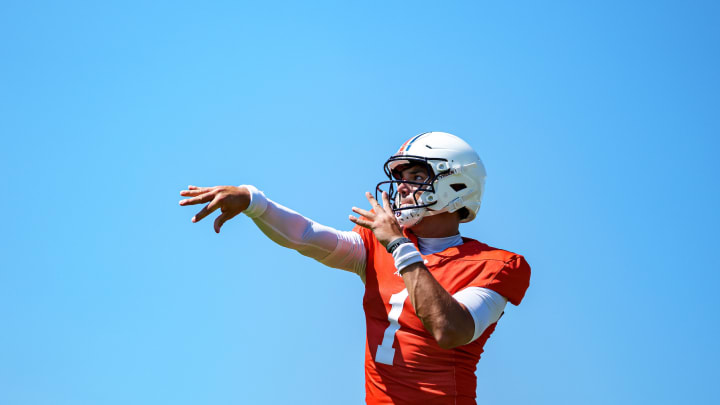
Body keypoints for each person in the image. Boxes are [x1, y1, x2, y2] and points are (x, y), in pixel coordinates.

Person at [179, 132, 531, 405]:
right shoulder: (376, 245)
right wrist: (255, 202)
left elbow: (449, 330)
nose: (402, 188)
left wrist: (399, 247)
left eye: (415, 176)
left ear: (455, 184)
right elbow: (307, 236)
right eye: (401, 177)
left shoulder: (496, 265)